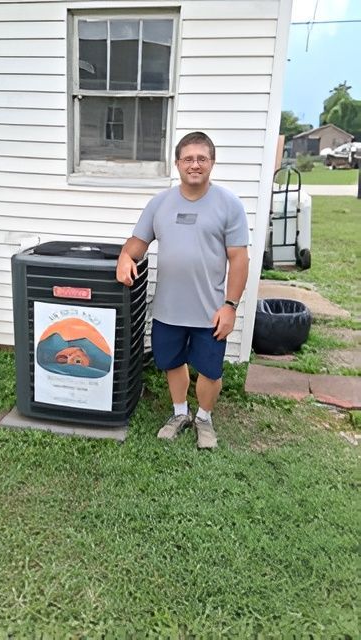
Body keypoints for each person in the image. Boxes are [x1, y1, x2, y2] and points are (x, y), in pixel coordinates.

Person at [116, 131, 249, 449]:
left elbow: (239, 259)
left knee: (209, 370)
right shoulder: (159, 204)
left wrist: (230, 305)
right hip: (168, 308)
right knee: (172, 363)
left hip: (211, 310)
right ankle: (179, 414)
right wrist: (124, 257)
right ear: (177, 163)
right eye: (188, 158)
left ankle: (204, 418)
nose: (195, 164)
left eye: (202, 158)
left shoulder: (229, 205)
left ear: (212, 163)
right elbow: (138, 243)